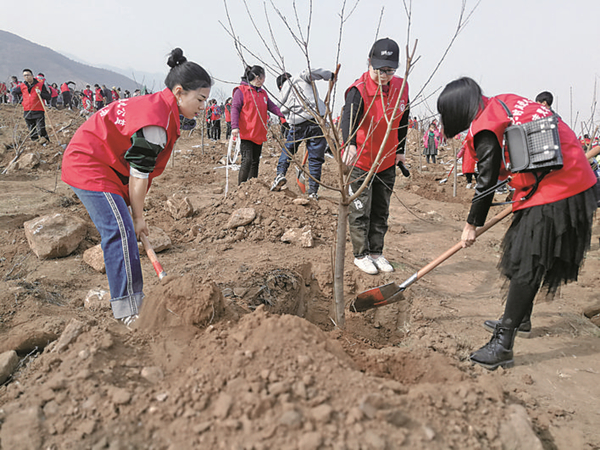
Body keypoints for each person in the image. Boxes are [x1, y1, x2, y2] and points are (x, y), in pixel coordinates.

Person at [437, 77, 597, 370]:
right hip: (562, 179)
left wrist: (471, 225)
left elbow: (486, 183)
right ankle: (521, 318)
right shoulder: (501, 102)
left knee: (527, 257)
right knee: (527, 253)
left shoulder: (486, 124)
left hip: (561, 186)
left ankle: (503, 344)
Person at [61, 48, 212, 326]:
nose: (203, 106)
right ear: (179, 92)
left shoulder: (162, 107)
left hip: (107, 165)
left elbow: (137, 173)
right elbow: (139, 175)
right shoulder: (156, 119)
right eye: (200, 99)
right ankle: (130, 312)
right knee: (120, 230)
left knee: (123, 227)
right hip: (90, 163)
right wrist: (139, 218)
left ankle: (131, 303)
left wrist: (137, 215)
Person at [341, 37, 410, 275]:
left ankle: (376, 253)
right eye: (379, 70)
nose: (384, 75)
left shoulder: (401, 87)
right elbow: (347, 118)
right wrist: (349, 144)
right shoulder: (358, 90)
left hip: (387, 160)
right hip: (362, 161)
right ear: (369, 62)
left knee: (381, 209)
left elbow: (403, 118)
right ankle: (360, 254)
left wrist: (400, 150)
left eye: (389, 71)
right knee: (361, 209)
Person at [270, 68, 332, 199]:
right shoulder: (300, 77)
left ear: (280, 86)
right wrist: (329, 76)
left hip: (297, 124)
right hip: (316, 121)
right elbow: (311, 72)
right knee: (315, 159)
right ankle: (313, 192)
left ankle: (280, 174)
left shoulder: (281, 94)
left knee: (288, 150)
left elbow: (281, 110)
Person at [231, 65, 283, 185]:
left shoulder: (263, 93)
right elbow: (235, 109)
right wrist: (234, 126)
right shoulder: (241, 91)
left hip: (258, 133)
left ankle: (252, 186)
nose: (264, 81)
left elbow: (272, 107)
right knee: (247, 160)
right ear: (257, 77)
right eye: (263, 77)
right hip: (246, 133)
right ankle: (241, 187)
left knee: (255, 162)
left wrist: (283, 115)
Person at [20, 69, 51, 144]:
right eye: (25, 75)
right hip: (27, 110)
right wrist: (22, 102)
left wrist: (40, 93)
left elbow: (48, 96)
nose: (26, 77)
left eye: (28, 75)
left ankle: (46, 142)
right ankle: (35, 143)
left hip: (38, 110)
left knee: (41, 128)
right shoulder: (22, 86)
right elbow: (15, 92)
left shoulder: (40, 85)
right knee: (31, 129)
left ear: (32, 76)